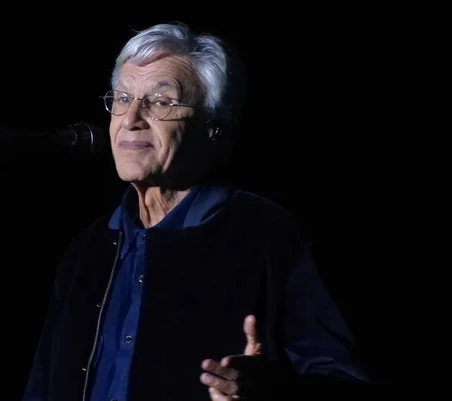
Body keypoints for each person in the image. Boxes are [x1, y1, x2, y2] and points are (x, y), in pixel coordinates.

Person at [21, 22, 370, 401]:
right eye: (122, 98)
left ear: (213, 127)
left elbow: (344, 381)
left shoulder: (269, 235)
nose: (131, 119)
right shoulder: (87, 248)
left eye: (160, 101)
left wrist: (272, 391)